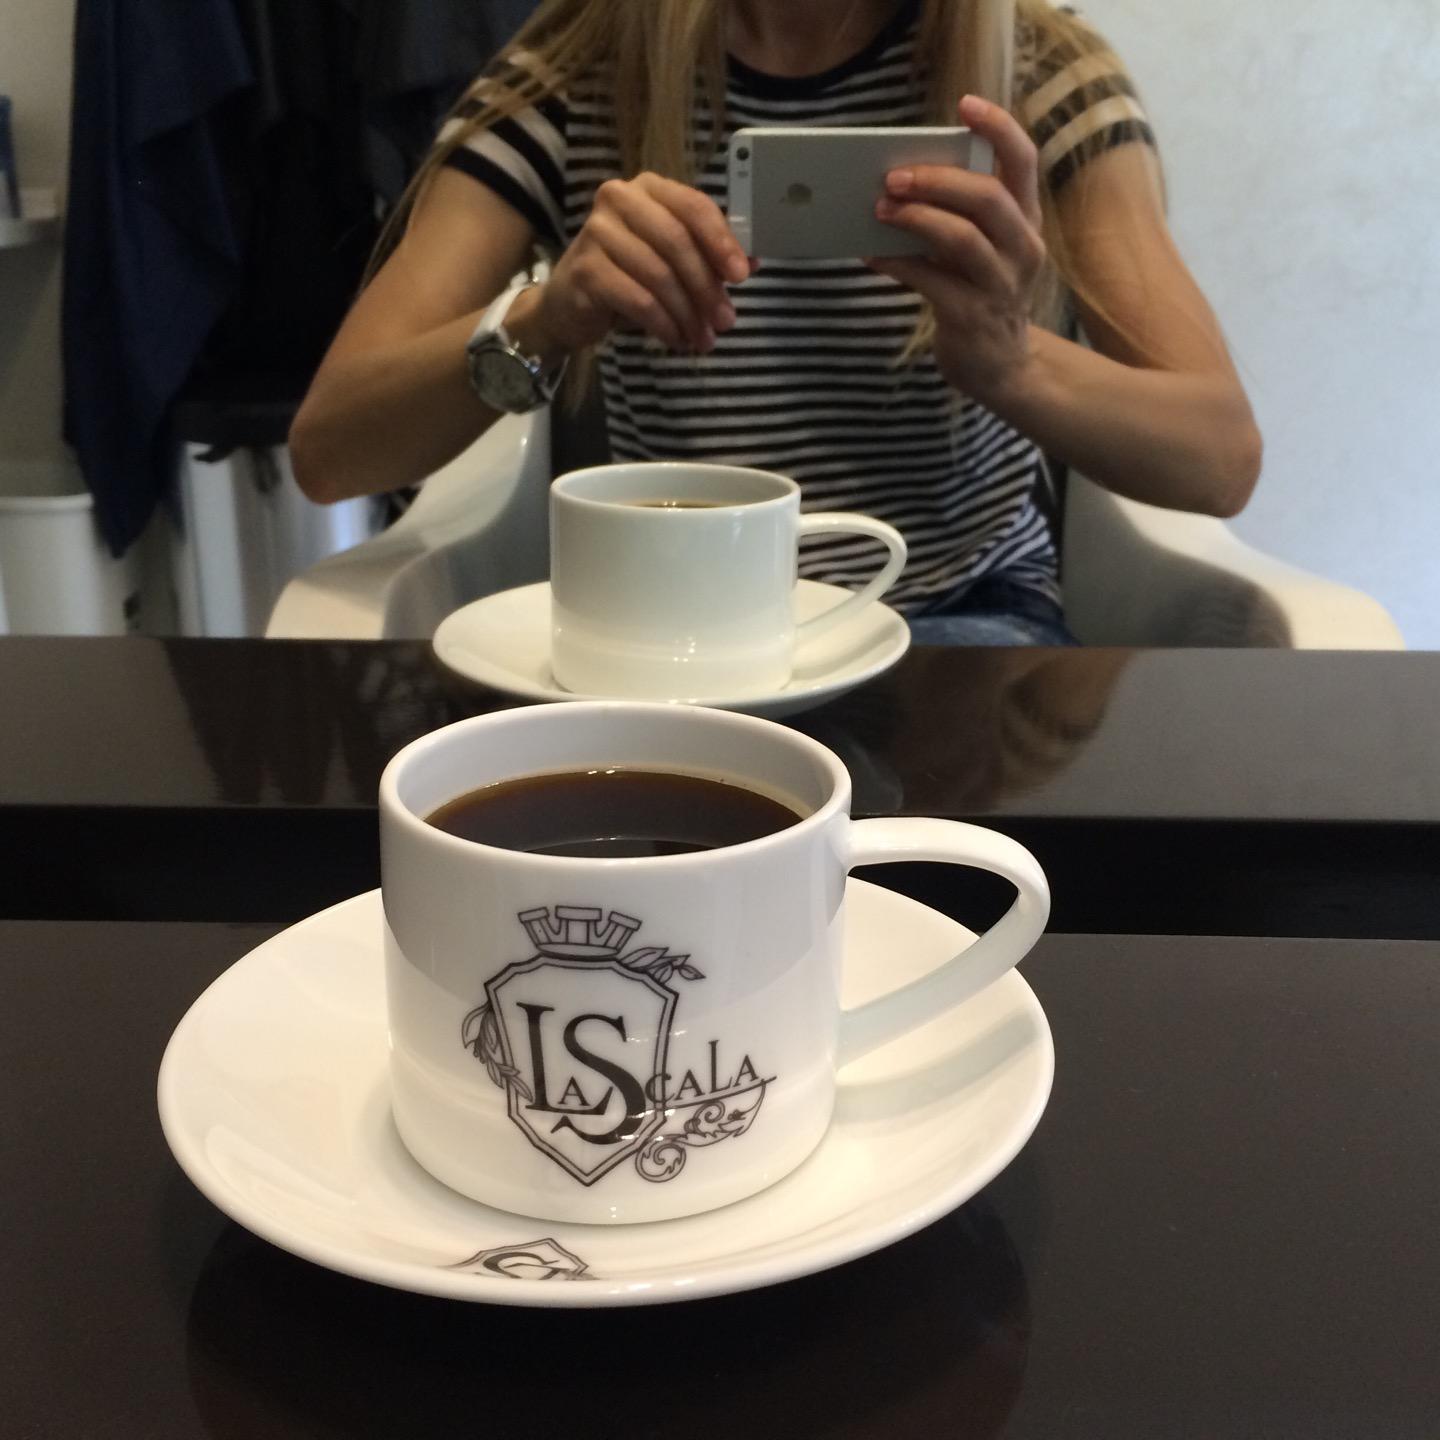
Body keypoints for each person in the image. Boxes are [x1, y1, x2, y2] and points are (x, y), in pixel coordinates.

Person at [290, 0, 1262, 647]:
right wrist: (547, 317)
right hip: (685, 633)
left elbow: (1218, 457)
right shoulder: (576, 76)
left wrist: (1011, 364)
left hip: (952, 614)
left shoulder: (1037, 70)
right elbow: (332, 449)